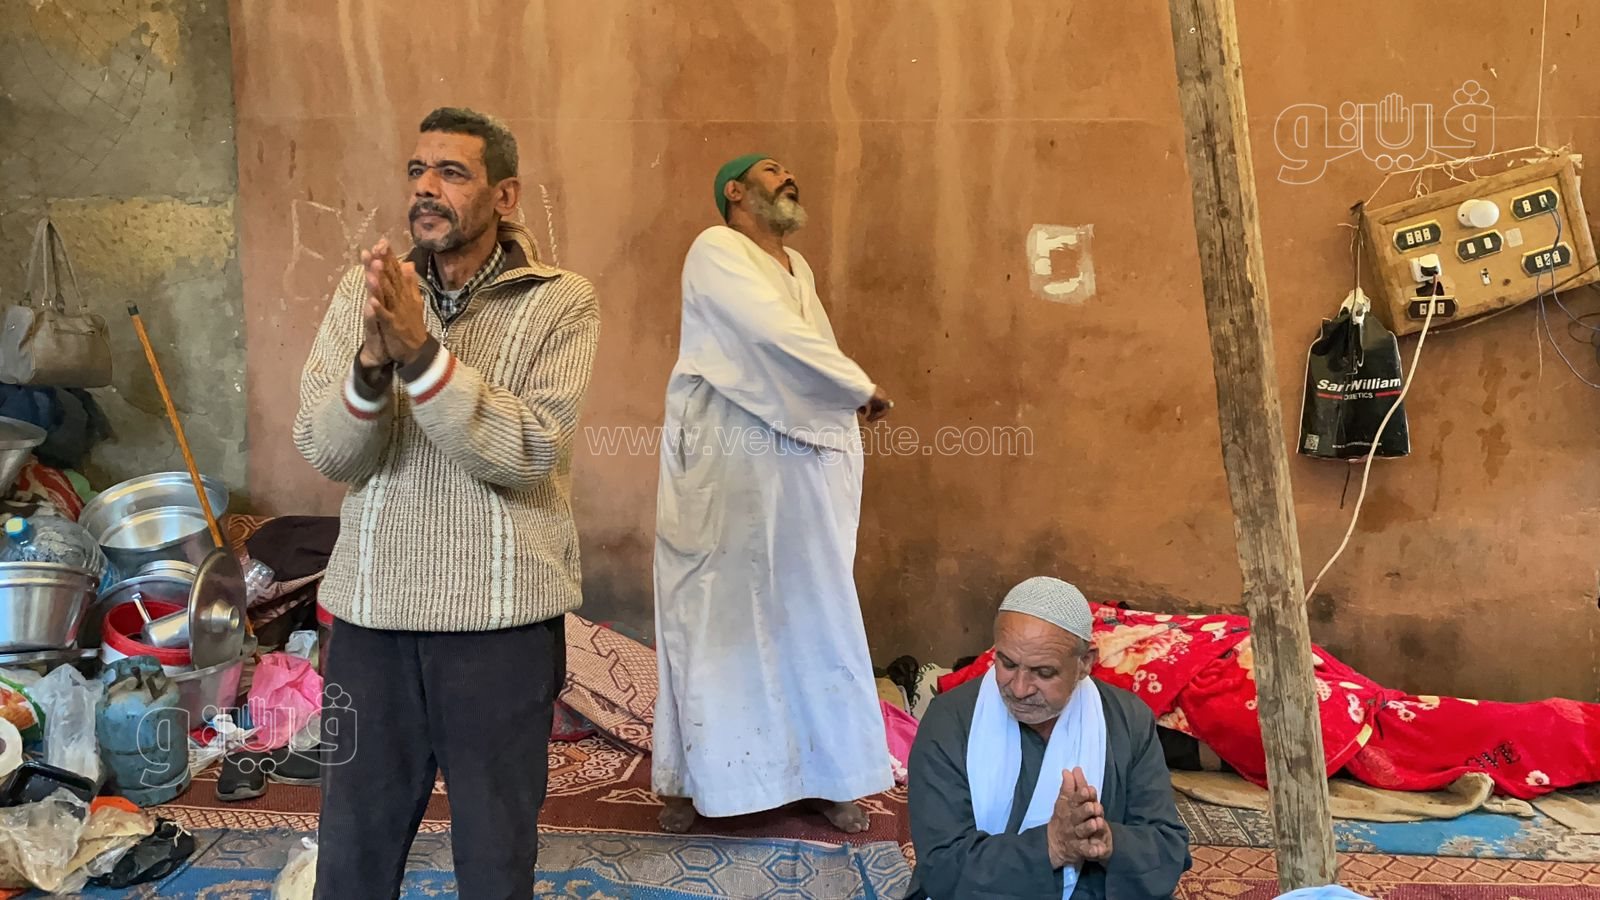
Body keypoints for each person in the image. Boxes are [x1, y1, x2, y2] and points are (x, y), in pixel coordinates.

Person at [293, 107, 600, 899]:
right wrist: (371, 364)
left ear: (505, 196)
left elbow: (529, 452)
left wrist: (422, 354)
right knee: (352, 856)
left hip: (499, 629)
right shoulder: (364, 293)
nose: (426, 188)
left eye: (452, 172)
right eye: (417, 171)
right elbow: (328, 450)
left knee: (496, 862)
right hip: (373, 620)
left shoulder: (560, 302)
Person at [651, 154, 896, 834]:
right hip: (729, 460)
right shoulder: (716, 248)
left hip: (796, 466)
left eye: (790, 170)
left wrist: (839, 395)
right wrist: (853, 386)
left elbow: (804, 347)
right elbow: (768, 333)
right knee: (717, 614)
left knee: (812, 610)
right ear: (735, 191)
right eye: (771, 170)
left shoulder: (799, 268)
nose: (789, 177)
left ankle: (828, 775)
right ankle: (695, 782)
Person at [906, 577, 1192, 899]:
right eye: (1007, 663)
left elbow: (1166, 848)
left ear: (1084, 663)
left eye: (1043, 673)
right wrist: (1052, 846)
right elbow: (942, 865)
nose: (1019, 689)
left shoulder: (1128, 720)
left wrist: (1108, 840)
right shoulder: (949, 721)